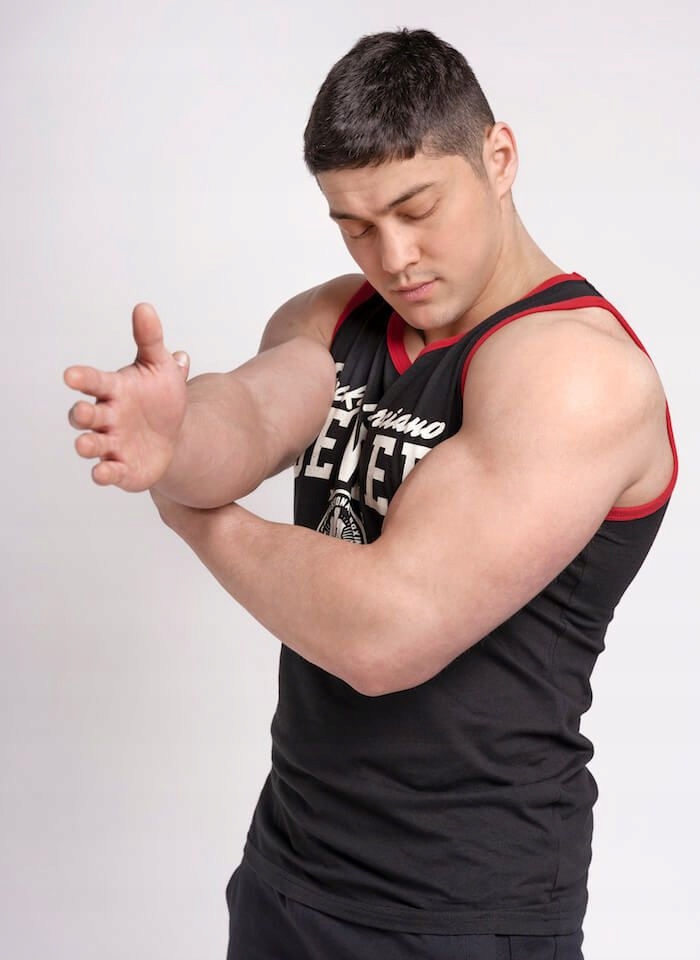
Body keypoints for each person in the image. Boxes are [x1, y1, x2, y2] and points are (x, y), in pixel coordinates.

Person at [64, 28, 677, 960]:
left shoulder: (574, 373)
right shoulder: (336, 315)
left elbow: (386, 635)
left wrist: (187, 510)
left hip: (466, 908)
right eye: (355, 225)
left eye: (415, 208)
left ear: (498, 157)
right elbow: (250, 416)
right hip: (288, 869)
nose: (393, 257)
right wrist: (176, 439)